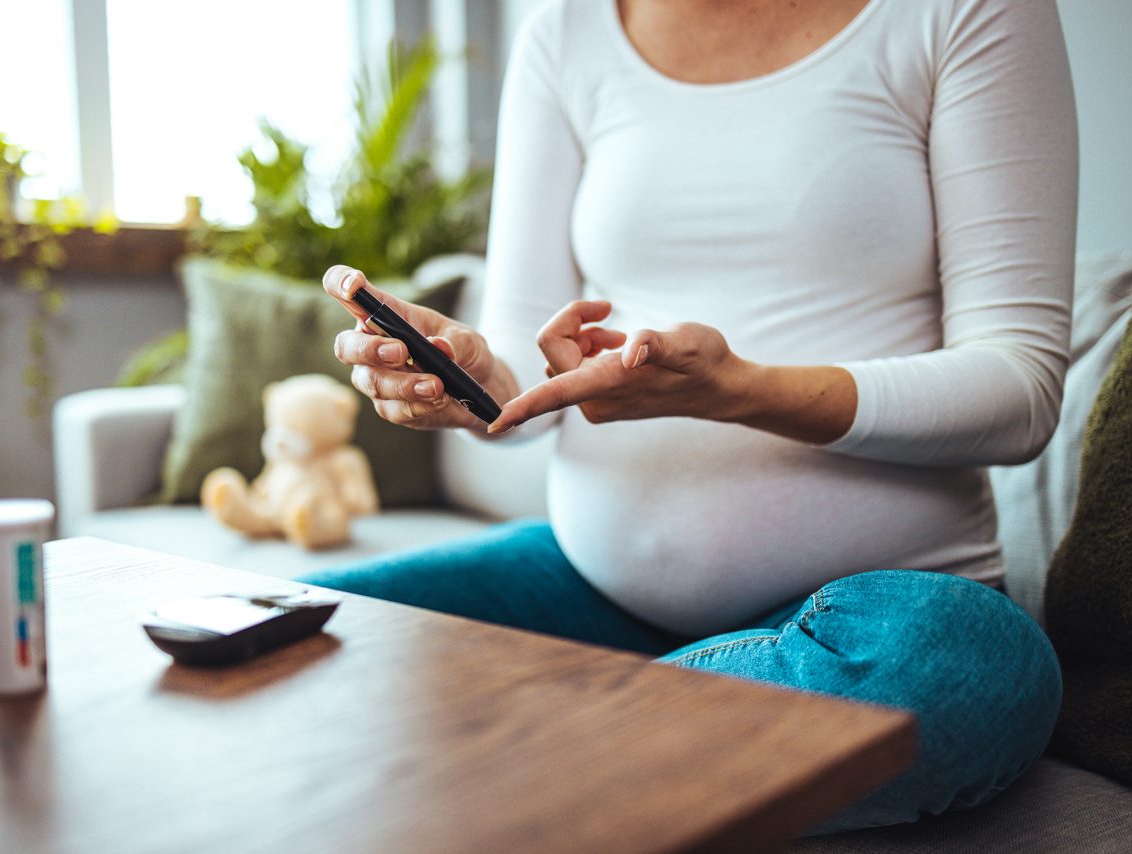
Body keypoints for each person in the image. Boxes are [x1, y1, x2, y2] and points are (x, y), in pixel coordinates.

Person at [302, 0, 1077, 833]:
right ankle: (641, 739)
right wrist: (475, 377)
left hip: (878, 616)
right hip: (593, 586)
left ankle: (516, 741)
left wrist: (740, 389)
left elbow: (1019, 389)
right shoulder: (564, 34)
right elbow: (525, 373)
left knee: (975, 669)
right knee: (280, 628)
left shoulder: (966, 12)